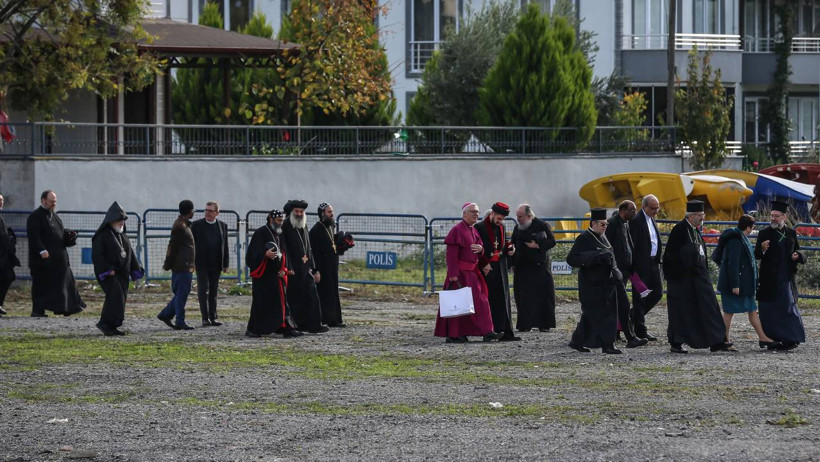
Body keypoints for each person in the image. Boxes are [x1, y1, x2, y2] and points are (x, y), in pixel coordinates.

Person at [662, 200, 732, 354]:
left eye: (702, 215)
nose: (702, 218)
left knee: (709, 307)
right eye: (700, 216)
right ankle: (676, 342)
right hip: (682, 279)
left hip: (699, 277)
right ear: (691, 215)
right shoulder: (680, 230)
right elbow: (671, 256)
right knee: (682, 311)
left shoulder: (695, 230)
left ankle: (717, 341)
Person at [434, 202, 499, 343]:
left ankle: (487, 331)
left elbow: (479, 250)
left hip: (473, 274)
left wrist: (481, 250)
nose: (477, 214)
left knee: (481, 302)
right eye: (473, 211)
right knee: (458, 305)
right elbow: (451, 255)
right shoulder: (456, 230)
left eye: (478, 212)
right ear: (464, 214)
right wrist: (453, 275)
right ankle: (455, 334)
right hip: (460, 275)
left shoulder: (473, 230)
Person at [713, 214, 775, 349]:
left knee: (751, 310)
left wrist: (761, 249)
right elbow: (733, 263)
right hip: (736, 285)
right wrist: (735, 284)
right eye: (752, 227)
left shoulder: (741, 238)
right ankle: (723, 340)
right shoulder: (736, 240)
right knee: (729, 312)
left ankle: (762, 337)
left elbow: (747, 256)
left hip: (744, 285)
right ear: (748, 227)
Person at [566, 208, 622, 354]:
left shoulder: (603, 236)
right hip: (591, 284)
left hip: (607, 283)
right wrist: (593, 257)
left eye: (606, 225)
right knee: (591, 315)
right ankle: (577, 341)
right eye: (603, 224)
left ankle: (608, 344)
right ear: (594, 223)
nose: (605, 227)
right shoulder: (583, 238)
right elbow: (572, 259)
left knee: (609, 313)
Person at [754, 201, 807, 351]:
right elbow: (757, 254)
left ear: (784, 216)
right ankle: (770, 339)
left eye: (776, 216)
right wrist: (762, 249)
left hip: (786, 278)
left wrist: (798, 255)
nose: (773, 219)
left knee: (788, 308)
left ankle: (791, 338)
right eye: (772, 216)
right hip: (769, 279)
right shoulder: (764, 233)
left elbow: (797, 249)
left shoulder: (791, 233)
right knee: (769, 310)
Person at [26, 190, 85, 317]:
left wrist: (69, 234)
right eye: (51, 202)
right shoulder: (35, 217)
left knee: (64, 283)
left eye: (55, 202)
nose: (53, 204)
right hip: (43, 260)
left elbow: (60, 233)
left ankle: (65, 307)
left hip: (58, 260)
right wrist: (42, 250)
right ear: (43, 201)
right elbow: (34, 236)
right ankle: (38, 310)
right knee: (41, 285)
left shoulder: (55, 216)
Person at [246, 209, 302, 338]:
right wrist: (265, 254)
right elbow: (252, 254)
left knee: (282, 303)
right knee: (260, 303)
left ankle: (286, 328)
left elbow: (284, 252)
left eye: (282, 221)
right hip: (263, 276)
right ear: (271, 219)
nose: (280, 223)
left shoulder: (279, 233)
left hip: (277, 275)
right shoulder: (260, 233)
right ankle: (254, 329)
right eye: (278, 221)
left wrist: (285, 269)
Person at [91, 202, 144, 336]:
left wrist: (135, 270)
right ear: (111, 220)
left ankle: (113, 325)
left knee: (120, 299)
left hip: (122, 274)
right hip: (109, 274)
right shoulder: (102, 236)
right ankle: (105, 323)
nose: (121, 222)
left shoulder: (122, 235)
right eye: (119, 220)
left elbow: (130, 254)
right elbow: (98, 256)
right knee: (115, 297)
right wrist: (108, 269)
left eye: (123, 220)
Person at [605, 201, 648, 348]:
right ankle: (629, 337)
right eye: (632, 210)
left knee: (618, 304)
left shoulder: (625, 224)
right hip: (615, 272)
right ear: (623, 210)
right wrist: (613, 268)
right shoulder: (612, 224)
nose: (634, 213)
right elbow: (608, 247)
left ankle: (619, 334)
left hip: (624, 270)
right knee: (620, 304)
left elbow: (628, 245)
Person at [474, 202, 519, 341]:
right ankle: (489, 331)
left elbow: (504, 244)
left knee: (503, 300)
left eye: (502, 219)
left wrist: (510, 248)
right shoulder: (479, 227)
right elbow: (478, 248)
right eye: (499, 218)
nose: (500, 221)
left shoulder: (501, 226)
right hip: (487, 269)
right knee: (489, 301)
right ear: (492, 214)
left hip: (500, 268)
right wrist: (485, 261)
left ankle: (505, 331)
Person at [281, 199, 327, 333]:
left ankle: (314, 325)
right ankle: (296, 325)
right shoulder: (286, 225)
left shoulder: (303, 224)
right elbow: (285, 249)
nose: (300, 214)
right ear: (291, 212)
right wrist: (288, 267)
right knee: (295, 298)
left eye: (302, 211)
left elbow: (309, 248)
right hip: (293, 269)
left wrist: (314, 268)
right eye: (297, 211)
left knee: (312, 296)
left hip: (306, 267)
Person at [511, 204, 556, 333]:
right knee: (524, 297)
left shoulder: (542, 225)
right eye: (517, 216)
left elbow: (552, 241)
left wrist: (538, 245)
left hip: (539, 266)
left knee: (543, 296)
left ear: (529, 216)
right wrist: (512, 262)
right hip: (522, 267)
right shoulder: (518, 227)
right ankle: (525, 324)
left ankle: (544, 324)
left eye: (520, 216)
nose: (518, 219)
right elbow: (513, 244)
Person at [628, 194, 664, 340]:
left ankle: (633, 315)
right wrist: (633, 266)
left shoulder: (652, 219)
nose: (656, 211)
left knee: (657, 293)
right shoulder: (636, 221)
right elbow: (632, 244)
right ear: (644, 207)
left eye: (657, 208)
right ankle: (640, 330)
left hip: (653, 263)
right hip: (640, 266)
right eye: (653, 208)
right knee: (640, 298)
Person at [157, 200, 196, 330]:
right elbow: (172, 247)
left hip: (185, 265)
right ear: (190, 211)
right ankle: (179, 320)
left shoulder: (183, 224)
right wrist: (167, 263)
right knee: (182, 294)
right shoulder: (180, 227)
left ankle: (166, 314)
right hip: (182, 265)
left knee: (181, 293)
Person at [191, 201, 229, 327]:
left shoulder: (222, 226)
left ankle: (213, 316)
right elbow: (192, 246)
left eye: (210, 211)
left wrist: (225, 264)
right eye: (206, 210)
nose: (207, 213)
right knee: (203, 290)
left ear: (217, 213)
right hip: (201, 263)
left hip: (216, 263)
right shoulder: (196, 225)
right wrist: (192, 262)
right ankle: (204, 318)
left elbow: (225, 246)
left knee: (213, 291)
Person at [309, 202, 345, 328]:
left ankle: (334, 319)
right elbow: (314, 253)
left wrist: (342, 245)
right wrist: (315, 270)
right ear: (322, 214)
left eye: (332, 212)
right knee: (324, 294)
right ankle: (324, 319)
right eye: (329, 212)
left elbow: (332, 246)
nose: (332, 214)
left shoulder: (330, 226)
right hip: (322, 268)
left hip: (332, 267)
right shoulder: (315, 230)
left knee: (333, 292)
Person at [0, 194, 21, 316]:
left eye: (2, 200)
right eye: (0, 200)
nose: (2, 202)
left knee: (8, 276)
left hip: (3, 256)